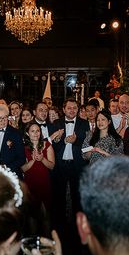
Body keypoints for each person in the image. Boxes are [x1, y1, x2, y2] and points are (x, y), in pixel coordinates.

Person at [49, 98, 89, 236]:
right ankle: (59, 229)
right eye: (69, 108)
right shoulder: (56, 123)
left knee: (77, 197)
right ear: (64, 109)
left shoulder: (85, 123)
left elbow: (87, 144)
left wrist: (76, 140)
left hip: (77, 165)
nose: (72, 110)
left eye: (74, 108)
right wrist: (63, 140)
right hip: (60, 165)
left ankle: (78, 228)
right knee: (58, 197)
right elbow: (51, 145)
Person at [22, 121, 55, 234]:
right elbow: (23, 169)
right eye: (32, 131)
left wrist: (42, 159)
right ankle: (33, 245)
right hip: (30, 184)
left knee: (46, 216)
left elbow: (52, 166)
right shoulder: (24, 147)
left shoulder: (47, 145)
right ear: (27, 133)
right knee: (32, 216)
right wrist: (33, 160)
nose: (36, 133)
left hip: (44, 183)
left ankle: (47, 244)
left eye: (38, 131)